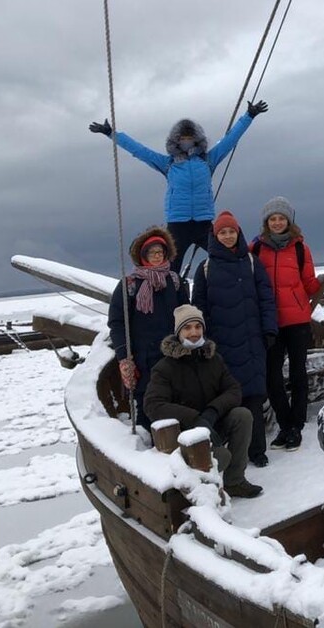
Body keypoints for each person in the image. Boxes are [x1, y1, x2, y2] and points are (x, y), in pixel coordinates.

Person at [89, 101, 268, 273]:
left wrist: (249, 115)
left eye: (190, 138)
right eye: (183, 139)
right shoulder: (168, 164)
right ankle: (170, 294)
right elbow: (139, 150)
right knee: (169, 271)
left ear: (197, 140)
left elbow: (230, 140)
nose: (186, 142)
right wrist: (111, 133)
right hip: (177, 225)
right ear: (176, 141)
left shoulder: (207, 160)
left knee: (228, 259)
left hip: (203, 223)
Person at [144, 304, 263, 499]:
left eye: (198, 327)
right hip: (185, 437)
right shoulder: (164, 368)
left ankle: (235, 481)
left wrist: (213, 411)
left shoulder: (213, 359)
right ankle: (203, 495)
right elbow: (153, 405)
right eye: (187, 327)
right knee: (222, 457)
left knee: (242, 415)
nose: (194, 332)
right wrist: (194, 418)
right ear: (178, 333)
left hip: (212, 425)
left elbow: (233, 389)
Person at [192, 211, 278, 467]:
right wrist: (204, 341)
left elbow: (266, 298)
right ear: (215, 236)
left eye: (231, 231)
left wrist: (269, 330)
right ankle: (229, 451)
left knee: (254, 398)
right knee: (227, 398)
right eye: (223, 232)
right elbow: (199, 307)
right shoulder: (205, 268)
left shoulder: (251, 262)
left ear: (238, 233)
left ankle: (257, 451)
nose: (228, 236)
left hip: (252, 341)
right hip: (221, 345)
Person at [251, 196, 320, 451]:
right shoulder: (255, 249)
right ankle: (285, 424)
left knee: (298, 373)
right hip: (270, 322)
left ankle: (296, 426)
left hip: (297, 321)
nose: (277, 222)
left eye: (281, 218)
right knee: (272, 376)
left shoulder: (300, 248)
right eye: (273, 219)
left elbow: (309, 282)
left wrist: (322, 283)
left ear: (289, 221)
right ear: (266, 222)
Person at [108, 226, 190, 428]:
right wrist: (124, 357)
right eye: (152, 252)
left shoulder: (175, 282)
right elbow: (117, 322)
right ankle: (148, 444)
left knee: (178, 404)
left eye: (160, 251)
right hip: (144, 359)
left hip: (174, 356)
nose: (157, 256)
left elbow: (186, 316)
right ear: (143, 255)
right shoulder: (129, 285)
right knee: (147, 408)